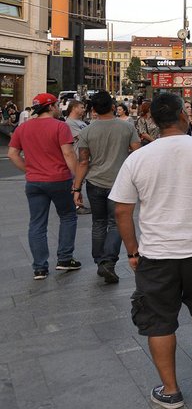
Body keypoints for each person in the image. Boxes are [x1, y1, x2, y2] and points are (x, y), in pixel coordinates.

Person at [111, 93, 192, 409]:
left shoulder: (138, 158)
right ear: (184, 115)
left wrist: (132, 251)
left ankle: (170, 390)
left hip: (156, 253)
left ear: (153, 121)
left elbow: (122, 211)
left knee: (158, 320)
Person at [8, 93, 79, 279]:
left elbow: (12, 154)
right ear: (50, 107)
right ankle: (64, 259)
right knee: (68, 216)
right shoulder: (60, 126)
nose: (57, 108)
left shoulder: (23, 128)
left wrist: (28, 169)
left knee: (37, 223)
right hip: (59, 179)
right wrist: (77, 177)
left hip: (34, 181)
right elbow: (69, 154)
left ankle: (39, 268)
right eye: (56, 105)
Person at [72, 91, 140, 284]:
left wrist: (76, 189)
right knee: (117, 222)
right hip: (120, 183)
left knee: (98, 222)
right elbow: (137, 152)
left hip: (94, 183)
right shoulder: (127, 127)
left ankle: (100, 260)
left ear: (93, 109)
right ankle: (108, 261)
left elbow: (83, 162)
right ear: (112, 106)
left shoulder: (87, 131)